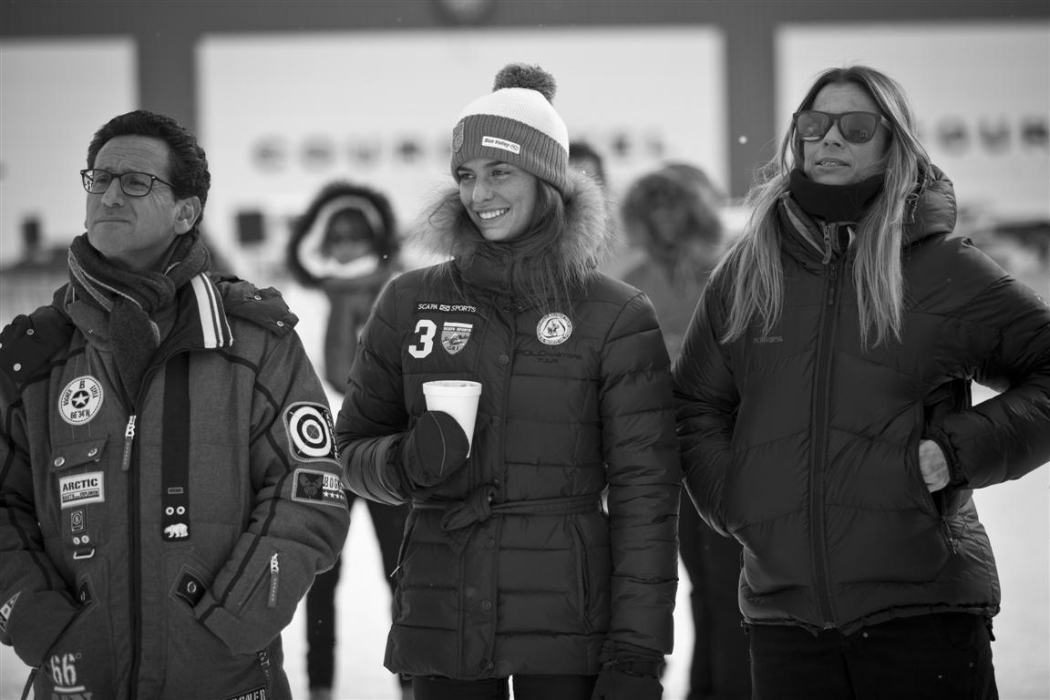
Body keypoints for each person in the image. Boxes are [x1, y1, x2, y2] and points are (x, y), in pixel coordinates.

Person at [672, 65, 1050, 700]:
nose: (830, 141)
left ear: (891, 143)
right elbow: (697, 403)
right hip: (785, 622)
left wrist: (962, 450)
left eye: (856, 127)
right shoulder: (748, 271)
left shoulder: (942, 269)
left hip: (923, 613)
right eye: (814, 125)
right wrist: (739, 500)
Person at [335, 63, 681, 700]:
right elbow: (349, 451)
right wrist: (406, 463)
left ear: (547, 178)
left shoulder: (615, 313)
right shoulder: (410, 299)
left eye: (500, 171)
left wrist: (637, 654)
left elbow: (646, 502)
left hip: (569, 624)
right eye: (466, 175)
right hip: (443, 614)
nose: (478, 193)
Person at [0, 109, 350, 700]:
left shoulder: (253, 340)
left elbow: (312, 486)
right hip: (77, 682)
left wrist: (235, 619)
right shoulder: (34, 354)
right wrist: (44, 625)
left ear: (186, 211)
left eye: (136, 181)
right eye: (99, 178)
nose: (111, 193)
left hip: (227, 677)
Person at [619, 163, 751, 700]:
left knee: (726, 581)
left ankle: (727, 686)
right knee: (682, 585)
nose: (665, 218)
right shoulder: (632, 281)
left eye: (673, 206)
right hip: (656, 449)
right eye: (655, 207)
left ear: (692, 211)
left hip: (719, 442)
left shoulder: (722, 273)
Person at [286, 180, 412, 700]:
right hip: (323, 457)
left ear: (375, 236)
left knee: (402, 574)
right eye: (335, 233)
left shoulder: (402, 291)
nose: (346, 243)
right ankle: (319, 687)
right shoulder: (304, 295)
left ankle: (412, 682)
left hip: (383, 451)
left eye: (357, 233)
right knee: (322, 578)